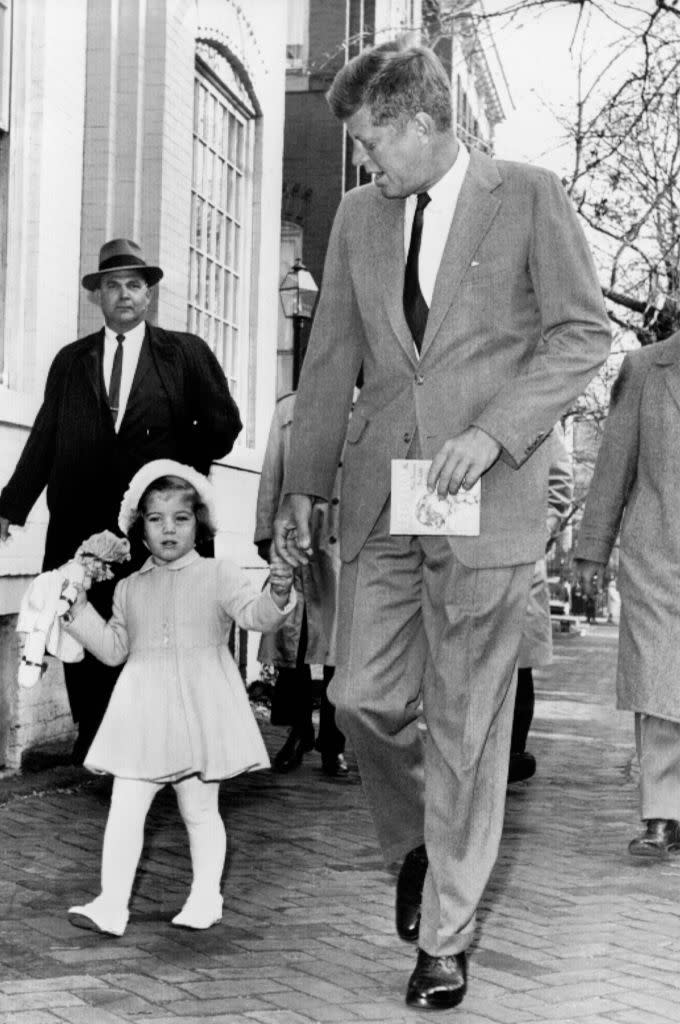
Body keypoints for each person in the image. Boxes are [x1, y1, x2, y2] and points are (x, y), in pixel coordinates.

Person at [273, 42, 610, 1010]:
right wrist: (305, 485)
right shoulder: (358, 219)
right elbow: (332, 347)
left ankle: (446, 937)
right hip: (386, 490)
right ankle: (422, 842)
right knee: (360, 702)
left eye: (374, 137)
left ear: (423, 121)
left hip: (482, 493)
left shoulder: (529, 195)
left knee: (466, 726)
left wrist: (497, 432)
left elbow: (581, 332)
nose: (364, 158)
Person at [0, 239, 242, 762]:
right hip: (80, 522)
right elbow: (45, 436)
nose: (123, 295)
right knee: (81, 621)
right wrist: (11, 506)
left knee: (153, 627)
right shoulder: (71, 362)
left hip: (154, 525)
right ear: (97, 296)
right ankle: (95, 735)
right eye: (112, 285)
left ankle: (159, 736)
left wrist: (177, 476)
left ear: (149, 295)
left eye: (134, 285)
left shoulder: (184, 354)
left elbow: (223, 427)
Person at [61, 460, 294, 936]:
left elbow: (257, 616)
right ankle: (111, 904)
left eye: (181, 519)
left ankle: (206, 896)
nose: (169, 529)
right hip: (142, 713)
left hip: (198, 712)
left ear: (199, 525)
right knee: (125, 806)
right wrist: (77, 610)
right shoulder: (129, 588)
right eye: (155, 519)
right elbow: (113, 650)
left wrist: (281, 587)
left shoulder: (218, 575)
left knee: (199, 810)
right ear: (140, 530)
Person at [574, 333, 680, 858]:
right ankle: (661, 814)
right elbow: (613, 464)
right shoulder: (644, 369)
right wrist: (592, 550)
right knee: (658, 685)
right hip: (656, 554)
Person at [254, 393, 348, 778]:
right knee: (293, 639)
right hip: (295, 536)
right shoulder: (288, 410)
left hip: (343, 541)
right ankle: (297, 732)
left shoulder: (370, 401)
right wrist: (265, 534)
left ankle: (333, 743)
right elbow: (272, 471)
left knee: (338, 649)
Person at [509, 425, 573, 784]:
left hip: (519, 549)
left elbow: (560, 481)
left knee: (519, 663)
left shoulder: (540, 411)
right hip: (459, 548)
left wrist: (543, 528)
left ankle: (514, 751)